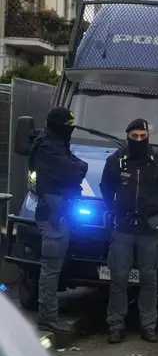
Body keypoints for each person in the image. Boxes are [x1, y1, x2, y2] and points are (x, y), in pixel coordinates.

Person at [99, 119, 158, 344]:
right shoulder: (117, 161)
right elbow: (105, 188)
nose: (140, 140)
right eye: (135, 136)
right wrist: (115, 209)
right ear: (128, 136)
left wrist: (153, 208)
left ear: (148, 136)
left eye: (143, 136)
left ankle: (148, 326)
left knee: (149, 280)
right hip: (123, 226)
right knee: (118, 279)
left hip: (150, 229)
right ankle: (115, 326)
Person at [29, 106, 88, 334]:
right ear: (59, 127)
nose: (70, 131)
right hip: (53, 214)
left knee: (54, 267)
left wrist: (76, 169)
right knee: (51, 269)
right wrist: (76, 170)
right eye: (68, 127)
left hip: (60, 211)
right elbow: (74, 171)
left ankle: (49, 315)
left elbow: (77, 166)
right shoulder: (48, 146)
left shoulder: (55, 143)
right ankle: (47, 317)